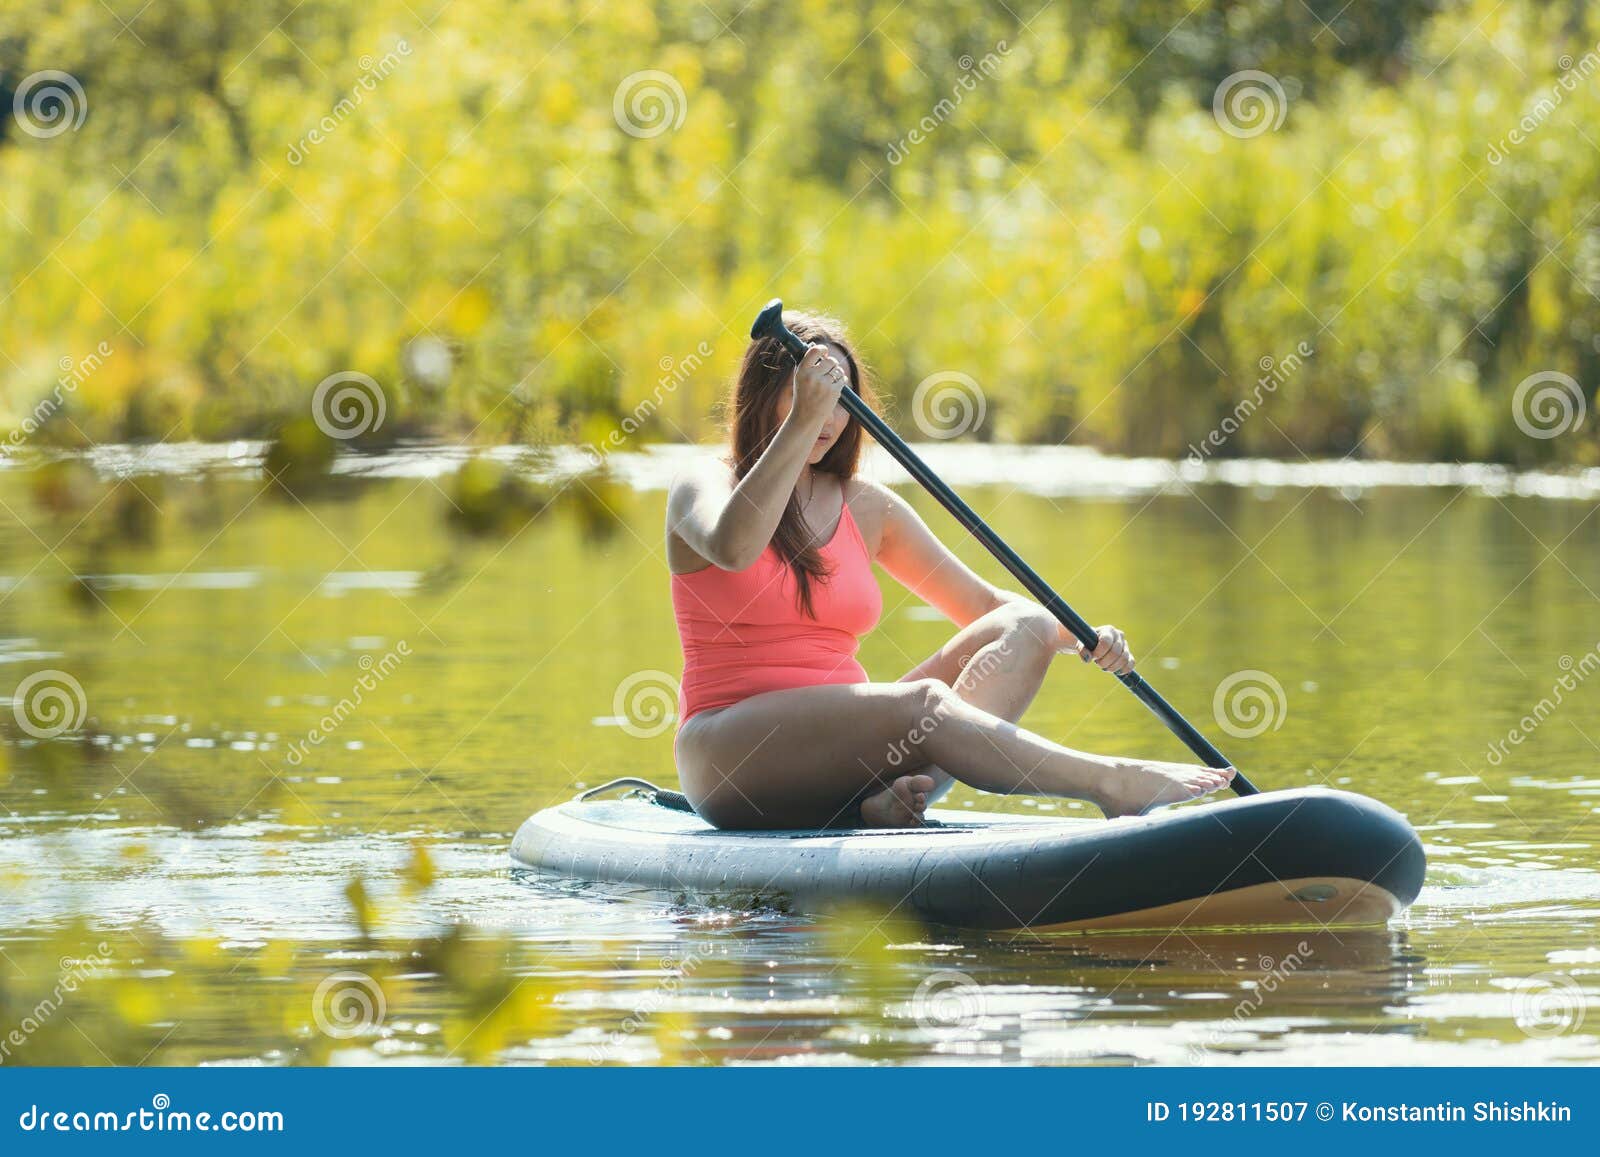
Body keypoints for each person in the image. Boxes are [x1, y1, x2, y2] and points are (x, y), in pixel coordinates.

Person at [666, 310, 1234, 829]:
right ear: (764, 394)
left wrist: (1083, 638)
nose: (828, 417)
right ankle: (1109, 783)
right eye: (811, 395)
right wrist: (799, 422)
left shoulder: (869, 506)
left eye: (841, 398)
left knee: (1027, 627)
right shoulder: (704, 483)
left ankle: (876, 803)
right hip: (728, 754)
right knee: (925, 705)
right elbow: (734, 547)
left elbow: (990, 609)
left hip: (852, 750)